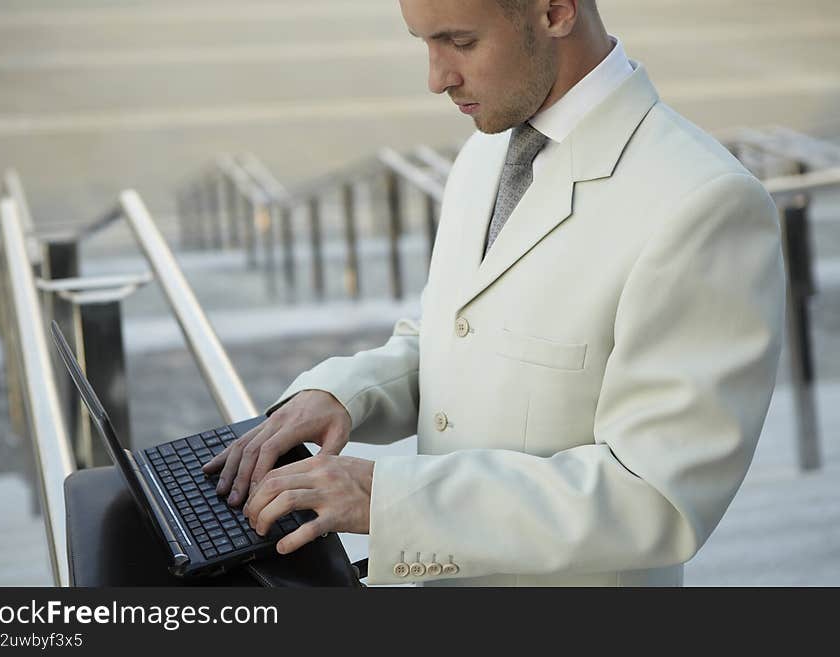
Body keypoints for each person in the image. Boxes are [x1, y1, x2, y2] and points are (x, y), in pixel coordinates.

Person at [203, 0, 786, 586]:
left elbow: (655, 497)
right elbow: (459, 331)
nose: (437, 79)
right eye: (422, 42)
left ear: (556, 11)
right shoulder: (487, 147)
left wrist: (383, 495)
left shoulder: (703, 203)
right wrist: (345, 394)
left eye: (459, 42)